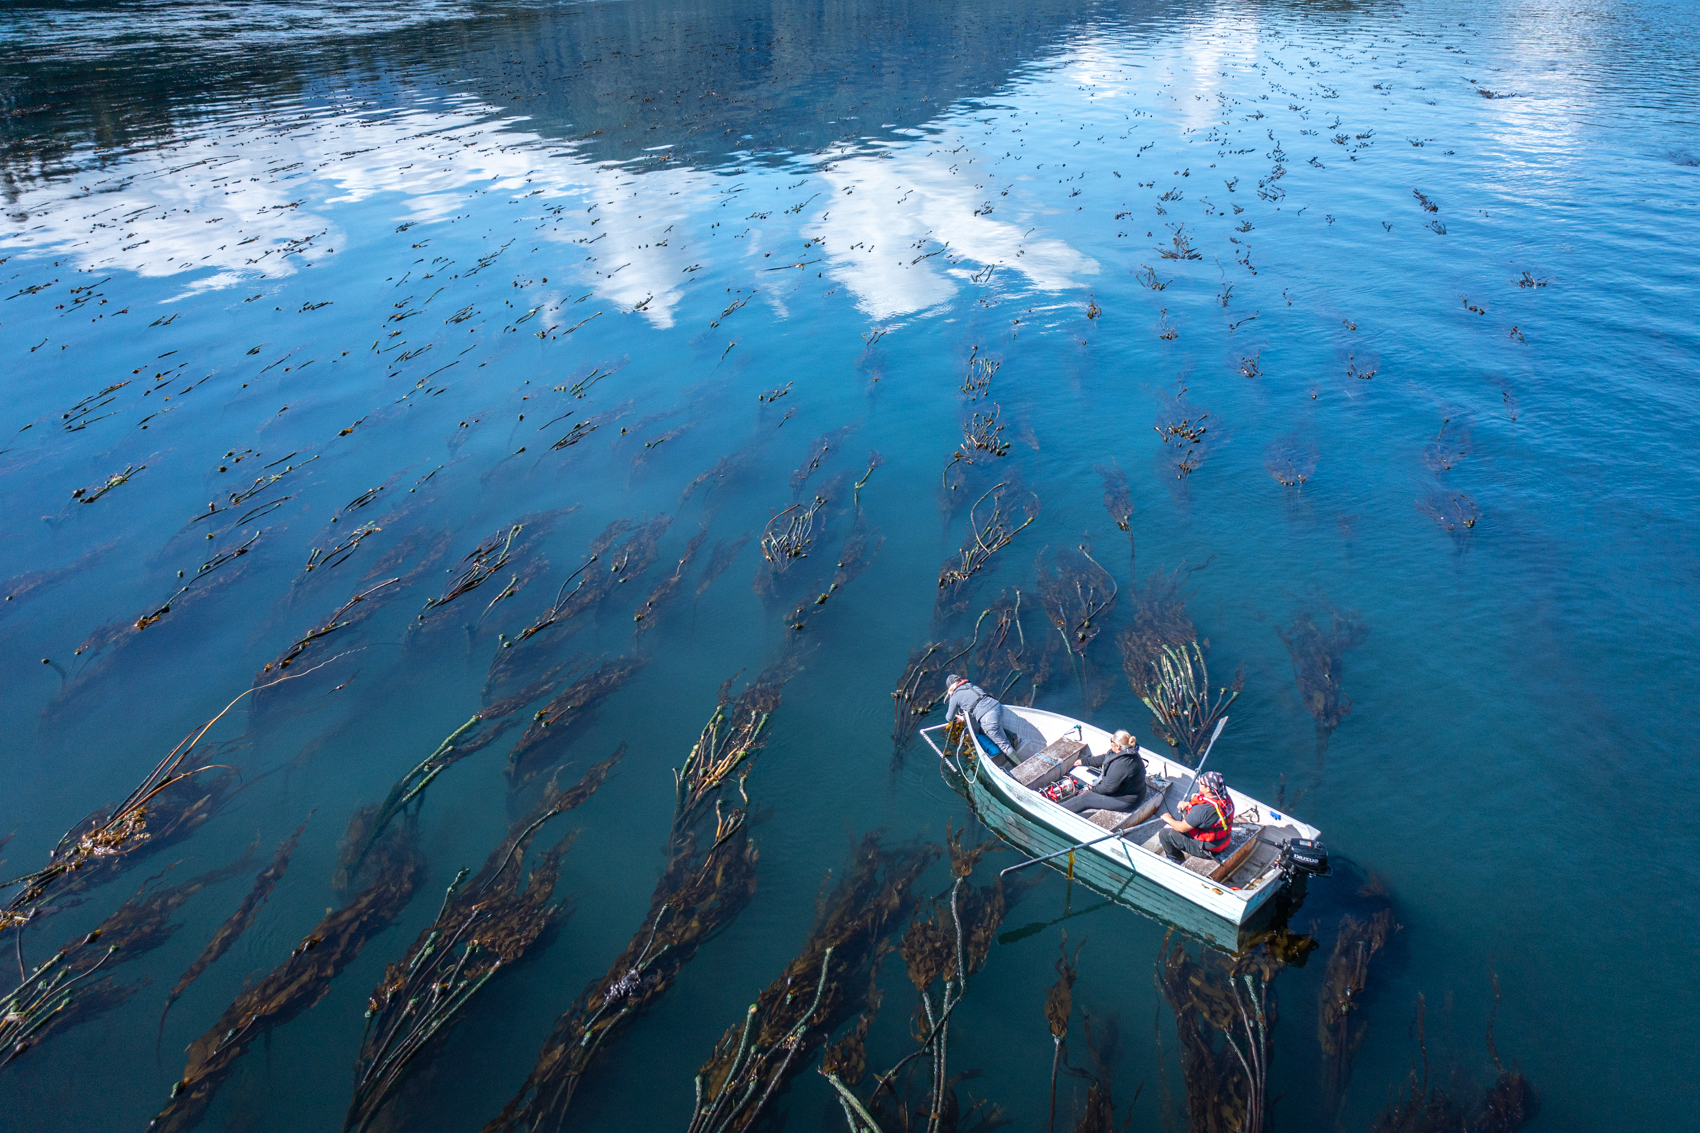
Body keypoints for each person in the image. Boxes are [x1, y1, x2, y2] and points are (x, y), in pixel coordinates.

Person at [1061, 730, 1147, 814]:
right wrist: (1084, 761)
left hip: (1126, 800)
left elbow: (1108, 788)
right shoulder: (1124, 752)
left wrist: (1093, 789)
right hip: (1125, 791)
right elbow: (1105, 758)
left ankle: (1058, 811)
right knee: (1091, 792)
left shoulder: (1122, 764)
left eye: (1111, 741)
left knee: (1086, 799)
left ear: (1117, 746)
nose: (1110, 742)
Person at [1158, 771, 1236, 862]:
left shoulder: (1203, 810)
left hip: (1207, 849)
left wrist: (1168, 819)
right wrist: (1188, 804)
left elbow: (1182, 828)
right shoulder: (1224, 798)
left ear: (1208, 789)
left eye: (1201, 782)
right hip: (1222, 842)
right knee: (1183, 817)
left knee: (1165, 834)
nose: (1199, 783)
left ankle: (1176, 860)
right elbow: (1207, 814)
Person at [943, 673, 1016, 759]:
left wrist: (961, 718)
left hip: (988, 717)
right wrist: (965, 717)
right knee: (998, 734)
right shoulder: (970, 685)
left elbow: (949, 717)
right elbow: (976, 702)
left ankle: (1021, 769)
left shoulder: (955, 696)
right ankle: (1012, 742)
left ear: (950, 687)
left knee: (1005, 746)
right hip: (997, 707)